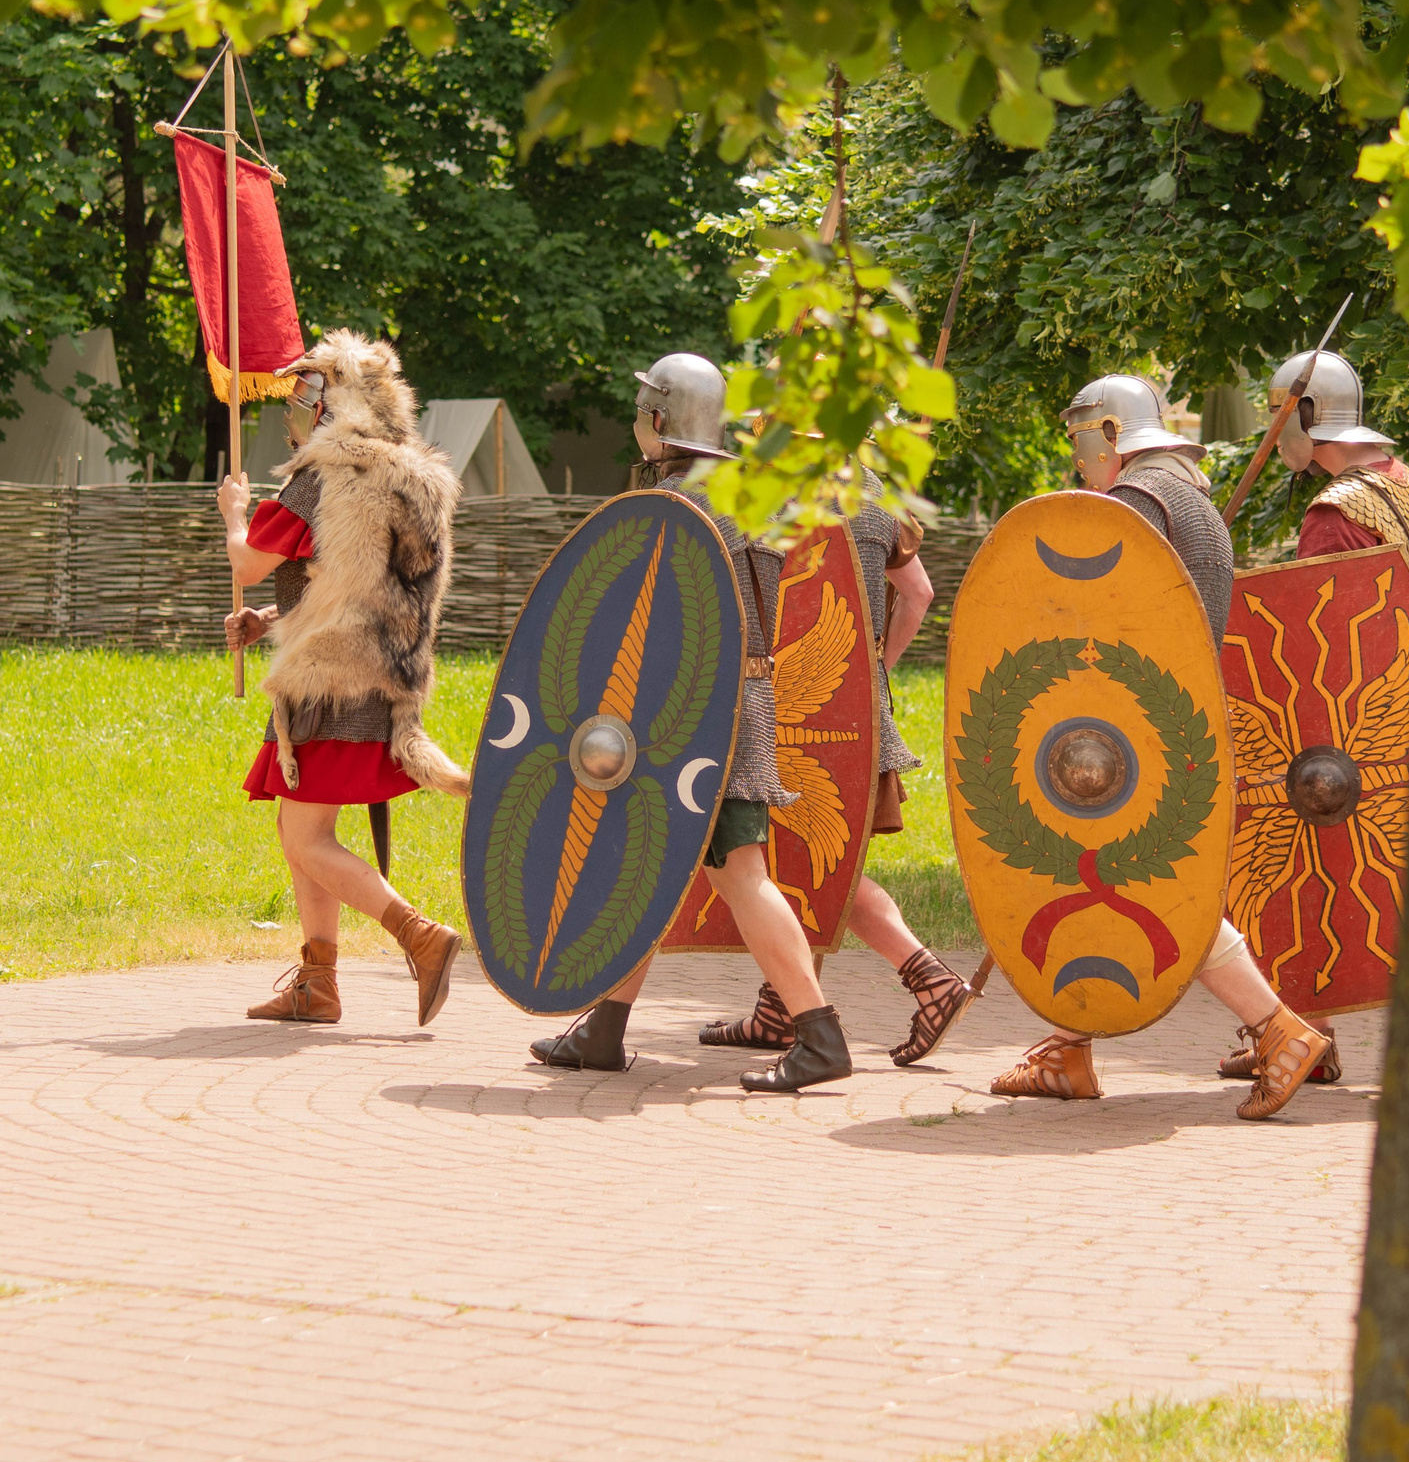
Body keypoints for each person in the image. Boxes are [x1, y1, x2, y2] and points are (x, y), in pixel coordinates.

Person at [987, 373, 1332, 1120]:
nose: (1078, 461)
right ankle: (1067, 1048)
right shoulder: (1195, 505)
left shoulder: (1137, 502)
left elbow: (1095, 620)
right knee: (1091, 877)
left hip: (1127, 741)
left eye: (1081, 440)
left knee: (1151, 892)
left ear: (1109, 434)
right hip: (1165, 730)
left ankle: (1278, 1032)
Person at [528, 352, 857, 1092]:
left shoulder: (680, 503)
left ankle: (819, 1032)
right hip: (728, 704)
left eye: (643, 410)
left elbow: (650, 625)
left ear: (662, 420)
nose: (636, 423)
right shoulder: (743, 496)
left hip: (697, 717)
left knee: (740, 873)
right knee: (646, 866)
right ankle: (605, 1028)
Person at [218, 330, 467, 1027]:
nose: (294, 406)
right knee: (303, 828)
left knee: (304, 839)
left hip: (329, 684)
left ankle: (419, 933)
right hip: (377, 675)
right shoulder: (408, 475)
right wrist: (273, 619)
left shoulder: (319, 477)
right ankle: (317, 982)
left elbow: (248, 561)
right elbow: (366, 585)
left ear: (334, 403)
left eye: (305, 392)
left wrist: (234, 513)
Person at [1208, 348, 1409, 1089]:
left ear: (1305, 417)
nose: (1277, 441)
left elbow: (1318, 643)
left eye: (1282, 419)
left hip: (1351, 727)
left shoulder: (1337, 510)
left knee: (1305, 867)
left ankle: (1304, 1031)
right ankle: (1309, 1025)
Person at [698, 473, 981, 1066]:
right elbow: (920, 593)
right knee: (804, 861)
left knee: (814, 866)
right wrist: (872, 673)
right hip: (854, 709)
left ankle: (928, 979)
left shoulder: (767, 489)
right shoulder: (880, 492)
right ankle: (781, 1011)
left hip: (786, 707)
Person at [1270, 349, 1409, 579]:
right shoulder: (1407, 479)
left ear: (1299, 418)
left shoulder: (1333, 512)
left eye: (1278, 419)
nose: (1275, 435)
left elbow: (1321, 610)